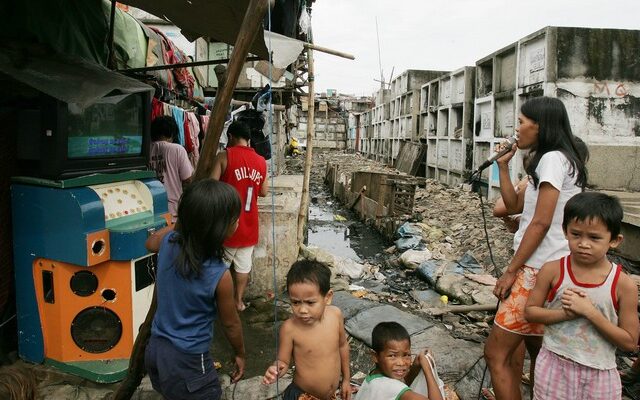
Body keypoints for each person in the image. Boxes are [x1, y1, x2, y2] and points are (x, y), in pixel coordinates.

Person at [483, 96, 588, 400]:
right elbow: (513, 205)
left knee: (496, 354)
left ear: (540, 126)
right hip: (551, 268)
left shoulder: (553, 159)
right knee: (540, 352)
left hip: (535, 269)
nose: (516, 130)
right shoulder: (554, 160)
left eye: (521, 122)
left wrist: (510, 272)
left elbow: (540, 224)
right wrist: (503, 167)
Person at [525, 192, 639, 399]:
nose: (583, 244)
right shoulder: (553, 270)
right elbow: (530, 312)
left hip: (599, 372)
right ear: (565, 231)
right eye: (576, 234)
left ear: (614, 240)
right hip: (554, 365)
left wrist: (590, 313)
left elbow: (630, 342)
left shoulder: (623, 284)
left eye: (594, 237)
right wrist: (566, 314)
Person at [144, 179, 245, 400]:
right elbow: (231, 323)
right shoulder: (220, 275)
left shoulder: (170, 242)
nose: (237, 221)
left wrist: (182, 224)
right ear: (220, 228)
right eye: (234, 219)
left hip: (156, 349)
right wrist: (239, 353)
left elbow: (150, 243)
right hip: (188, 361)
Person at [262, 260, 351, 400]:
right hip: (302, 395)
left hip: (330, 395)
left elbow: (342, 345)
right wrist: (276, 369)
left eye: (310, 302)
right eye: (295, 302)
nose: (302, 310)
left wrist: (346, 380)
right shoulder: (290, 328)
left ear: (327, 297)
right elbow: (283, 362)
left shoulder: (335, 315)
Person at [212, 120, 268, 312]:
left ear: (231, 137)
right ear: (248, 139)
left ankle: (220, 303)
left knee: (221, 267)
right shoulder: (261, 161)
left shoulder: (223, 156)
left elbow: (211, 186)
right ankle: (238, 301)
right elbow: (264, 192)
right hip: (250, 222)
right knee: (243, 266)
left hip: (226, 223)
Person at [355, 322, 444, 400]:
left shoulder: (375, 376)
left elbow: (402, 384)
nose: (401, 363)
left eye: (406, 355)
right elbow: (397, 388)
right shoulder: (392, 388)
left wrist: (416, 365)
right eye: (392, 356)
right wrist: (427, 369)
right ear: (375, 356)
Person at [149, 115, 194, 223]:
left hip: (149, 212)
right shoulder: (177, 149)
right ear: (172, 133)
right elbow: (188, 179)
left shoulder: (145, 150)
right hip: (172, 213)